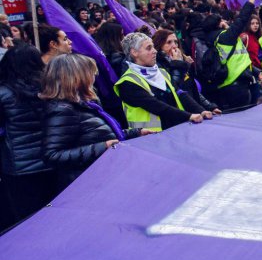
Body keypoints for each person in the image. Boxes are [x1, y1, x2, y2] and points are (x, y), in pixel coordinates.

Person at [41, 53, 145, 191]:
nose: (94, 77)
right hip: (87, 185)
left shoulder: (86, 104)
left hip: (102, 177)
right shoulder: (63, 110)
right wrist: (102, 147)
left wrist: (136, 133)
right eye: (90, 73)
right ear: (76, 77)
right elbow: (52, 155)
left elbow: (100, 135)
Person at [0, 44, 58, 224]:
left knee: (28, 221)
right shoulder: (52, 88)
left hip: (20, 167)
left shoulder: (3, 93)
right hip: (55, 160)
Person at [115, 32, 210, 132]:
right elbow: (156, 106)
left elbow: (180, 94)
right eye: (149, 48)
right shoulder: (127, 82)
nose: (155, 51)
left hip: (176, 129)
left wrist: (201, 110)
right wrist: (189, 116)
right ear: (134, 52)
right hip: (150, 138)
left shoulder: (161, 72)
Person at [153, 29, 220, 114]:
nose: (174, 46)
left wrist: (209, 106)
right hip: (179, 114)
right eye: (169, 42)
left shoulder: (182, 62)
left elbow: (192, 89)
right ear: (159, 45)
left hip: (194, 111)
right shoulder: (158, 65)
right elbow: (174, 88)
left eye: (176, 42)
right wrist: (177, 64)